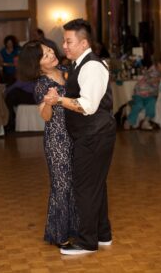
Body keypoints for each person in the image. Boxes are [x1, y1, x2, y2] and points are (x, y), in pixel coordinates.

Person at [44, 18, 116, 255]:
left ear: (83, 42)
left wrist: (59, 100)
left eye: (68, 41)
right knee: (96, 186)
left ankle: (86, 242)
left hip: (94, 135)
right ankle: (102, 234)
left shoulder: (92, 66)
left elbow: (88, 106)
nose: (63, 46)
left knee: (84, 187)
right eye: (64, 41)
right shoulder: (78, 63)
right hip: (91, 135)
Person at [17, 39, 78, 247]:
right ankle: (60, 236)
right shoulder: (42, 84)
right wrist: (50, 102)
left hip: (77, 135)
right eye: (45, 55)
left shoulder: (65, 69)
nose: (51, 55)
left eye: (50, 51)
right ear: (37, 64)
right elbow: (45, 116)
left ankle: (75, 228)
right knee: (61, 186)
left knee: (75, 183)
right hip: (57, 140)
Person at [124, 58, 161, 130]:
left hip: (150, 95)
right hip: (139, 93)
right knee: (138, 105)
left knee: (152, 104)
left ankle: (146, 121)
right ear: (158, 64)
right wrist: (158, 79)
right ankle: (129, 121)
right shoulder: (152, 70)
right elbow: (150, 80)